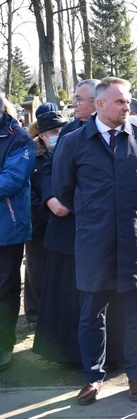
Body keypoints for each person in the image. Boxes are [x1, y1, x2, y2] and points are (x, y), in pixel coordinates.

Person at [53, 77, 137, 404]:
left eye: (128, 101)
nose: (127, 107)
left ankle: (136, 376)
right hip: (93, 242)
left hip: (133, 241)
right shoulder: (73, 142)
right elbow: (63, 189)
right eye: (120, 102)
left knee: (136, 313)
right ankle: (93, 378)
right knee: (91, 315)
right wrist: (92, 212)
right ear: (99, 105)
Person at [33, 79, 108, 366]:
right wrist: (50, 198)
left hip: (97, 227)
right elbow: (48, 170)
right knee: (65, 293)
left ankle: (101, 356)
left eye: (79, 99)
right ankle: (64, 351)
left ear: (97, 101)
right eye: (74, 99)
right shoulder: (69, 132)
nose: (74, 104)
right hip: (66, 228)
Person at [0, 93, 34, 371]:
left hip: (6, 227)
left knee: (5, 287)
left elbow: (11, 180)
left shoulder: (18, 137)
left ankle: (3, 344)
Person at [24, 111, 67, 327]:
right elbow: (27, 188)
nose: (58, 135)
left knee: (59, 270)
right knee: (37, 269)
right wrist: (43, 213)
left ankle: (57, 311)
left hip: (61, 220)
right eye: (53, 132)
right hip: (38, 221)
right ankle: (35, 314)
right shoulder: (30, 154)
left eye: (61, 130)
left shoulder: (66, 151)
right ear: (42, 135)